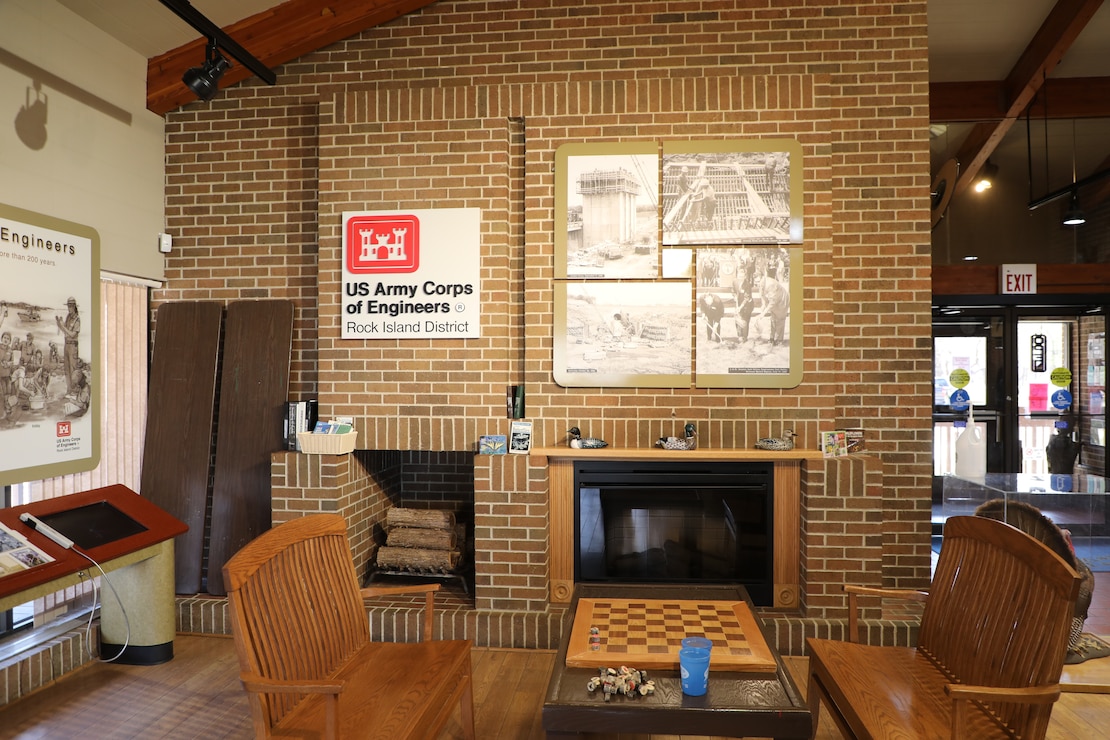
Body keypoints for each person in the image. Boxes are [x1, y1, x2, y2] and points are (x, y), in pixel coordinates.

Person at [56, 297, 80, 393]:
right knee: (66, 369)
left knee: (73, 369)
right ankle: (69, 390)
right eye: (68, 306)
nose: (69, 308)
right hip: (66, 345)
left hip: (73, 346)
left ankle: (74, 390)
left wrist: (63, 327)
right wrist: (59, 324)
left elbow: (73, 334)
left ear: (74, 306)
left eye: (70, 306)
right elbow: (65, 332)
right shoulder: (68, 317)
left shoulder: (77, 319)